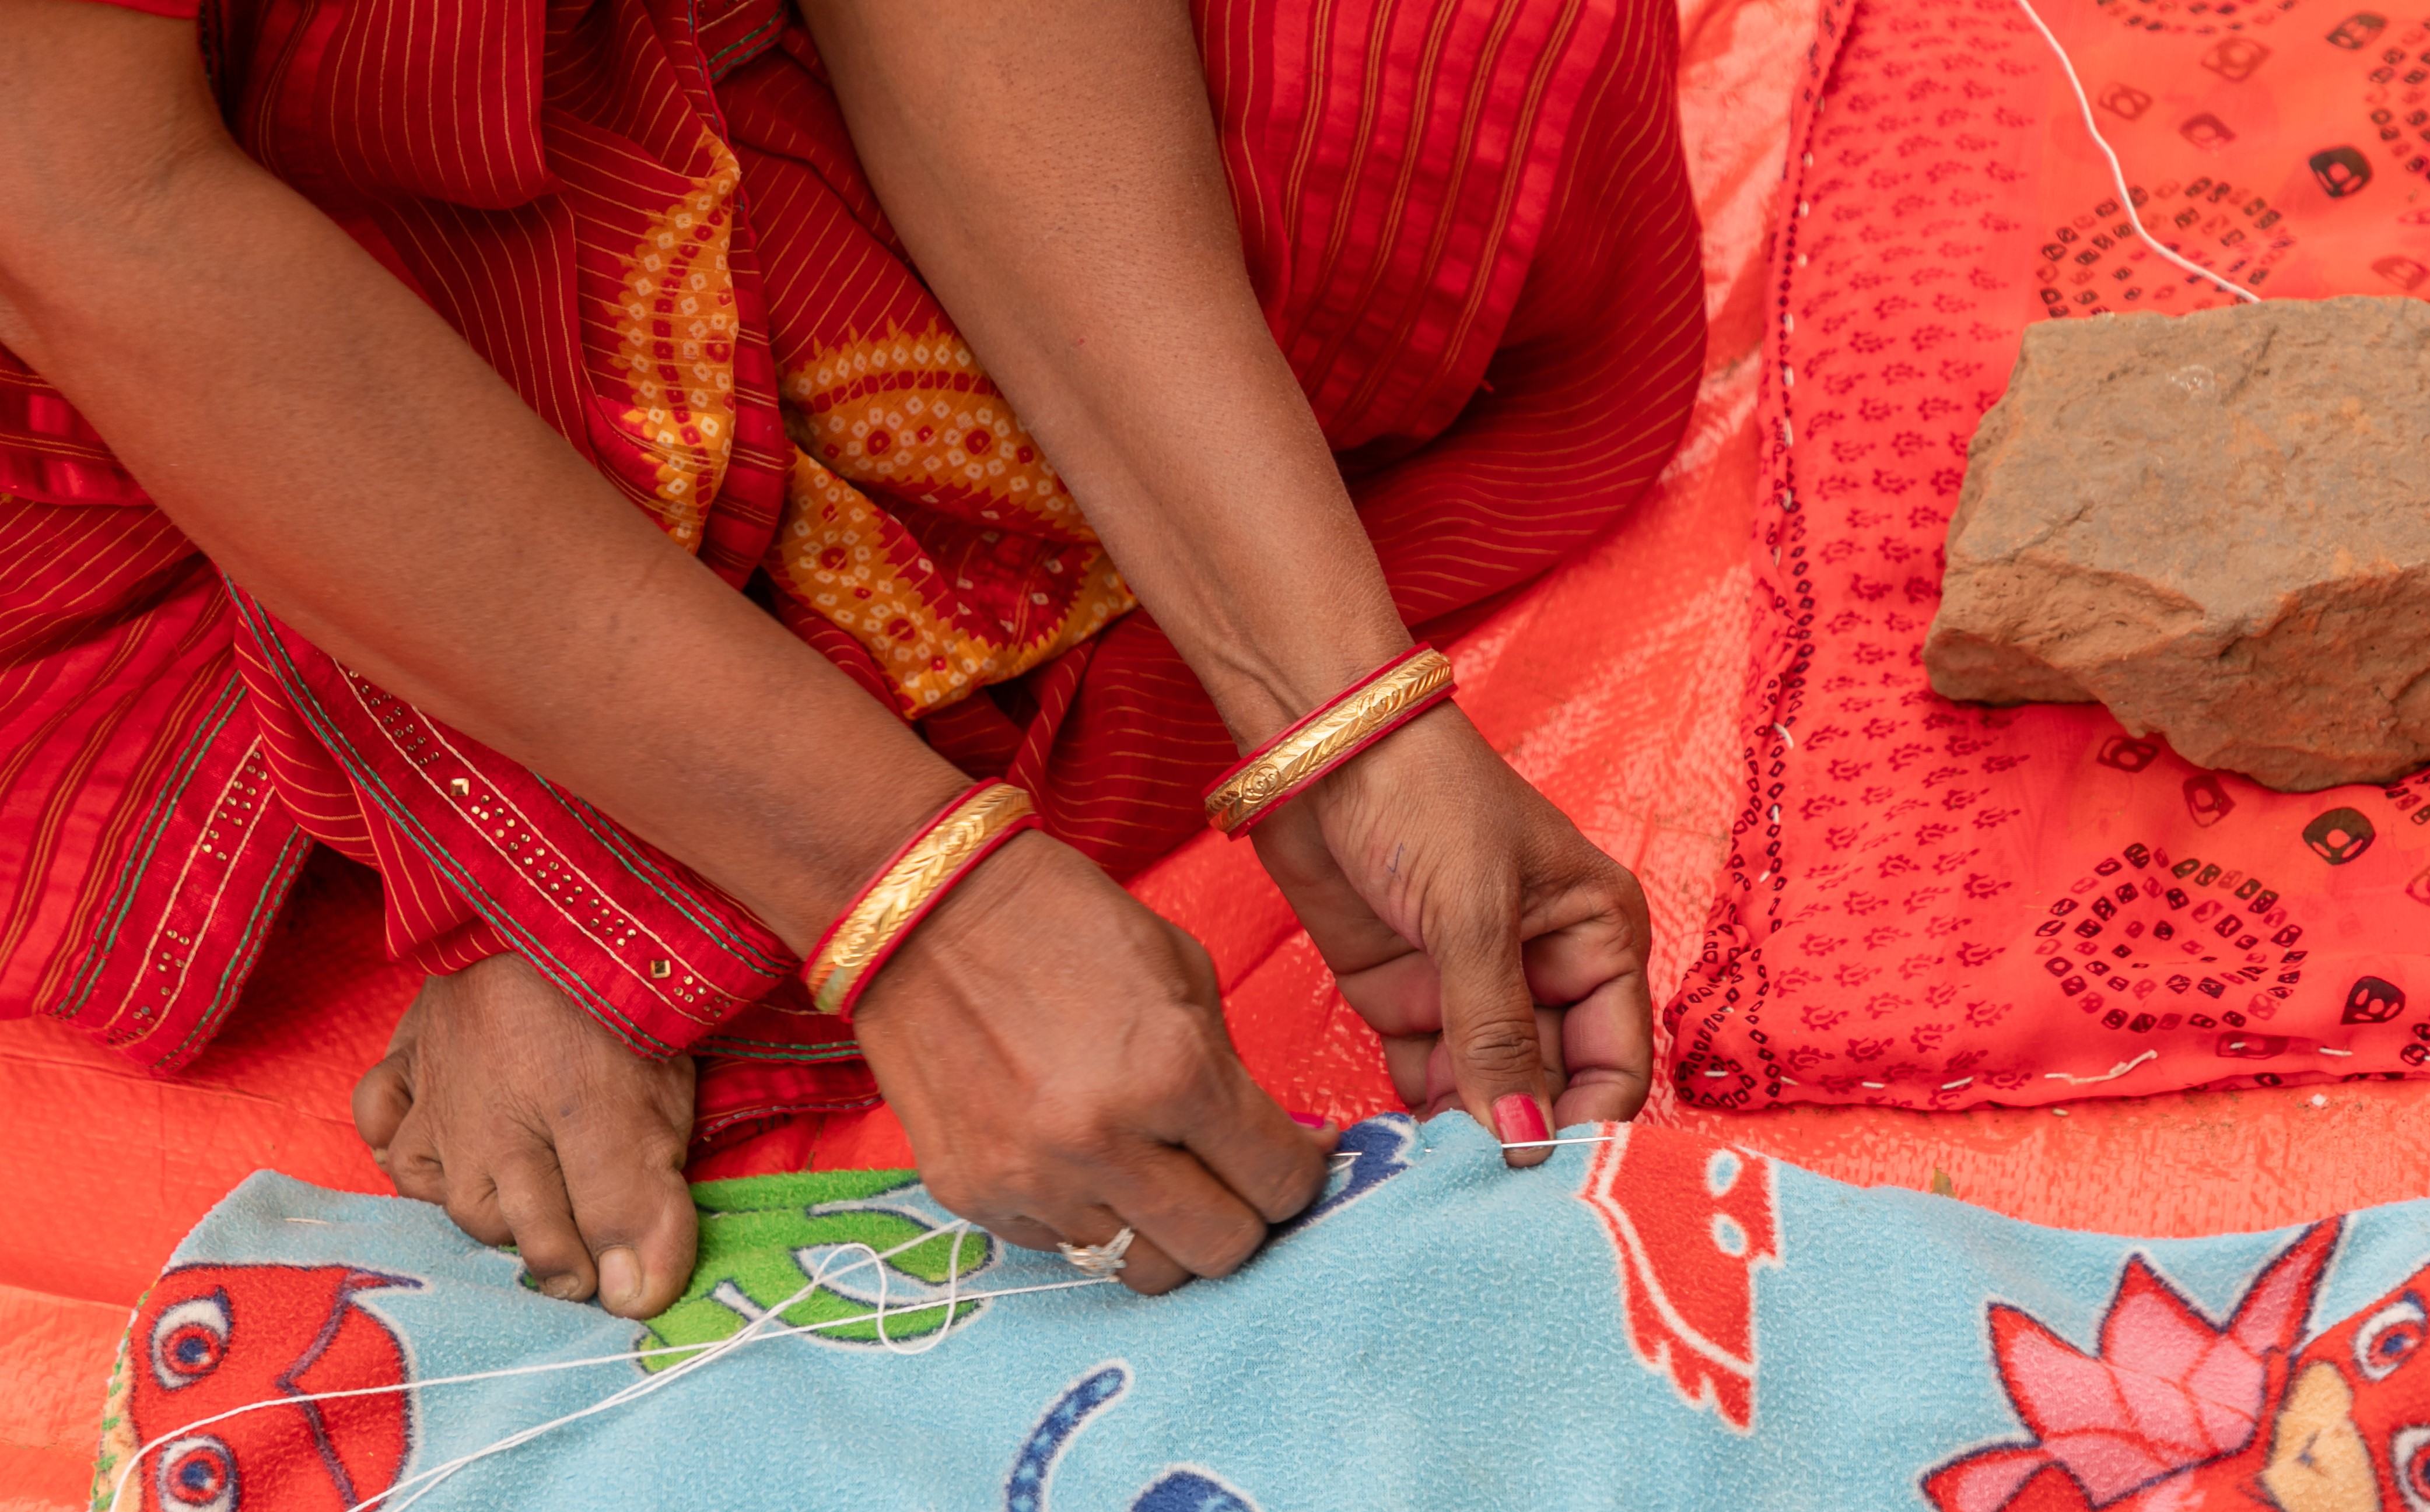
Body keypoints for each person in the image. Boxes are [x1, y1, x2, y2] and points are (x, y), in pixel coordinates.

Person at [0, 0, 1702, 1309]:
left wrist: (1329, 696)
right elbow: (103, 218)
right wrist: (913, 900)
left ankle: (636, 794)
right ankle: (558, 815)